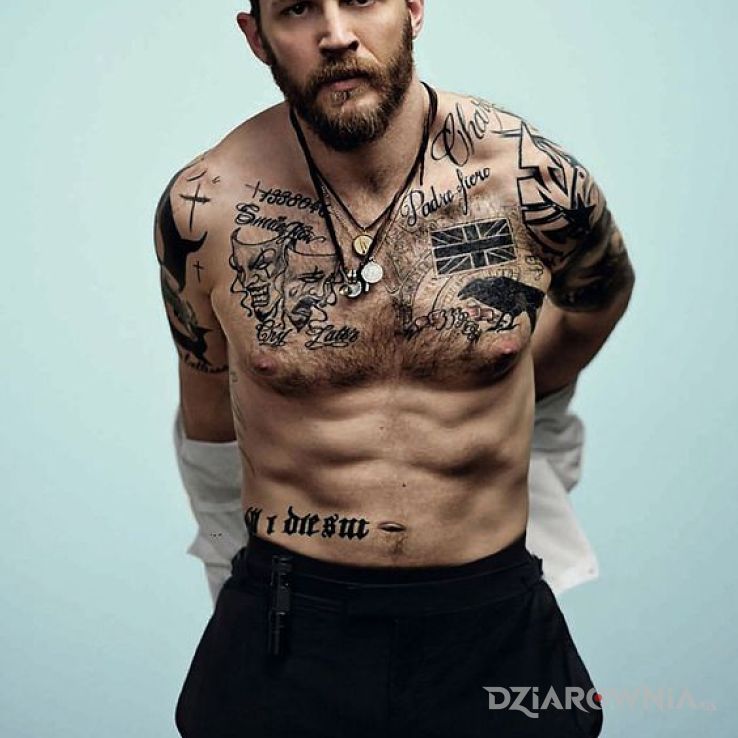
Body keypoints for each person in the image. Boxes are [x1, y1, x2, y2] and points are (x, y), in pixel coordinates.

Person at [154, 1, 635, 735]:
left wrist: (510, 402)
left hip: (491, 618)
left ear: (412, 7)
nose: (336, 34)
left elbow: (599, 298)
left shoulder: (531, 180)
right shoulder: (206, 209)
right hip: (289, 619)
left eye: (362, 0)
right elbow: (209, 417)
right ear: (257, 37)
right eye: (297, 9)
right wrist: (231, 577)